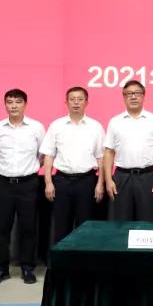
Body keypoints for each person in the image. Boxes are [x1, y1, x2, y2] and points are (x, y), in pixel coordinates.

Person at [0, 88, 45, 285]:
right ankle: (1, 269)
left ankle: (27, 268)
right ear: (5, 105)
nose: (13, 106)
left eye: (18, 102)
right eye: (10, 102)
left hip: (29, 183)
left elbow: (42, 155)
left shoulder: (36, 127)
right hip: (3, 184)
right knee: (2, 228)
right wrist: (7, 171)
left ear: (25, 104)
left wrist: (27, 172)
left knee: (28, 227)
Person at [40, 86, 105, 247]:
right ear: (66, 102)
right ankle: (62, 261)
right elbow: (49, 155)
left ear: (86, 102)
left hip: (87, 181)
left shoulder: (95, 126)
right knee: (61, 226)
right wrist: (48, 182)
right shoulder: (57, 125)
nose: (76, 102)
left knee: (86, 226)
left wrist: (100, 183)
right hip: (61, 181)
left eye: (80, 99)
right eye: (72, 99)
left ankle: (85, 261)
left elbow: (101, 157)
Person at [103, 80, 153, 221]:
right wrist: (108, 180)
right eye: (129, 93)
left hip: (147, 177)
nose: (133, 96)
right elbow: (109, 152)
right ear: (124, 97)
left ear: (143, 96)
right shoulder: (115, 122)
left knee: (147, 220)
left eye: (137, 93)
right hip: (121, 177)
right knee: (121, 221)